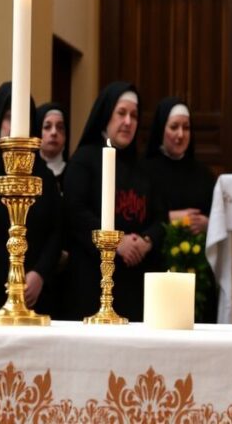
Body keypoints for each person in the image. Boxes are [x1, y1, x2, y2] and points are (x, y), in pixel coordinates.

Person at [62, 82, 165, 321]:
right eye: (121, 113)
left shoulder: (144, 168)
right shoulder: (84, 160)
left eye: (134, 115)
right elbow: (75, 212)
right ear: (106, 113)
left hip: (135, 281)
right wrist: (117, 242)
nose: (128, 122)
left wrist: (146, 242)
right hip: (90, 280)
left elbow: (161, 218)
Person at [0, 83, 63, 317]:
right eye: (10, 117)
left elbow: (57, 230)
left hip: (37, 294)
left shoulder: (44, 175)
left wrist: (38, 274)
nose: (17, 125)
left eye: (25, 118)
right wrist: (13, 277)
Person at [144, 97, 218, 321]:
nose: (180, 135)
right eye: (174, 127)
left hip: (198, 272)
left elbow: (218, 217)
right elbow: (139, 217)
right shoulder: (144, 171)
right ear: (161, 129)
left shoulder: (204, 175)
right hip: (158, 264)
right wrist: (170, 218)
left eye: (186, 128)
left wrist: (207, 224)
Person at [37, 102, 68, 191]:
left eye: (60, 127)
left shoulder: (74, 172)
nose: (54, 132)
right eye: (47, 127)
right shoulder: (30, 174)